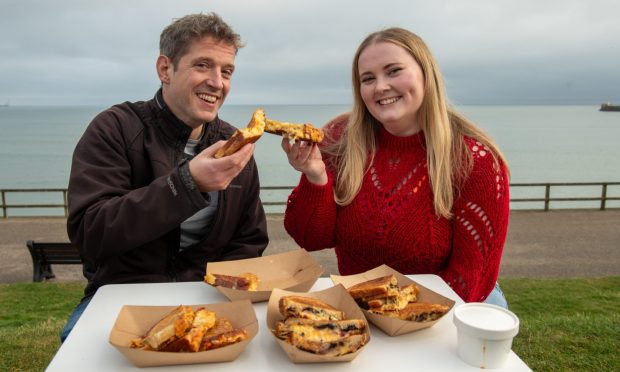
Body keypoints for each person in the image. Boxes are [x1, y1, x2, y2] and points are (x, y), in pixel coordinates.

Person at [62, 13, 268, 342]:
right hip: (120, 299)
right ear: (165, 69)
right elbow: (91, 232)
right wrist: (188, 184)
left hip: (207, 301)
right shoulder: (115, 129)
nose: (217, 82)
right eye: (203, 65)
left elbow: (249, 243)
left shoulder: (235, 144)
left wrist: (218, 299)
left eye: (226, 71)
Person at [281, 27, 510, 307]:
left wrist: (394, 317)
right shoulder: (340, 137)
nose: (380, 87)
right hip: (367, 309)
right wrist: (315, 177)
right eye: (368, 78)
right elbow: (311, 238)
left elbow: (469, 280)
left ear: (426, 73)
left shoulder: (475, 161)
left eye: (393, 71)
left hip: (456, 308)